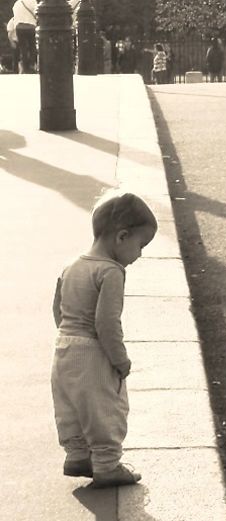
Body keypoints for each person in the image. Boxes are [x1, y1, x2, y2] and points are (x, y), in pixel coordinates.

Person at [51, 191, 159, 488]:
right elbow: (107, 323)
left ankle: (77, 455)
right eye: (141, 245)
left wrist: (68, 338)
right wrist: (119, 359)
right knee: (106, 408)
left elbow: (57, 308)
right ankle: (108, 464)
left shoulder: (72, 265)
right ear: (122, 237)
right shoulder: (111, 272)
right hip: (92, 351)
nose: (141, 254)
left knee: (70, 405)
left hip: (64, 347)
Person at [9, 0, 38, 73]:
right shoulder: (34, 2)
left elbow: (15, 14)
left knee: (23, 47)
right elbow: (37, 13)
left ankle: (25, 67)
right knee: (32, 46)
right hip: (31, 27)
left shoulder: (17, 3)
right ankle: (32, 64)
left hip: (20, 28)